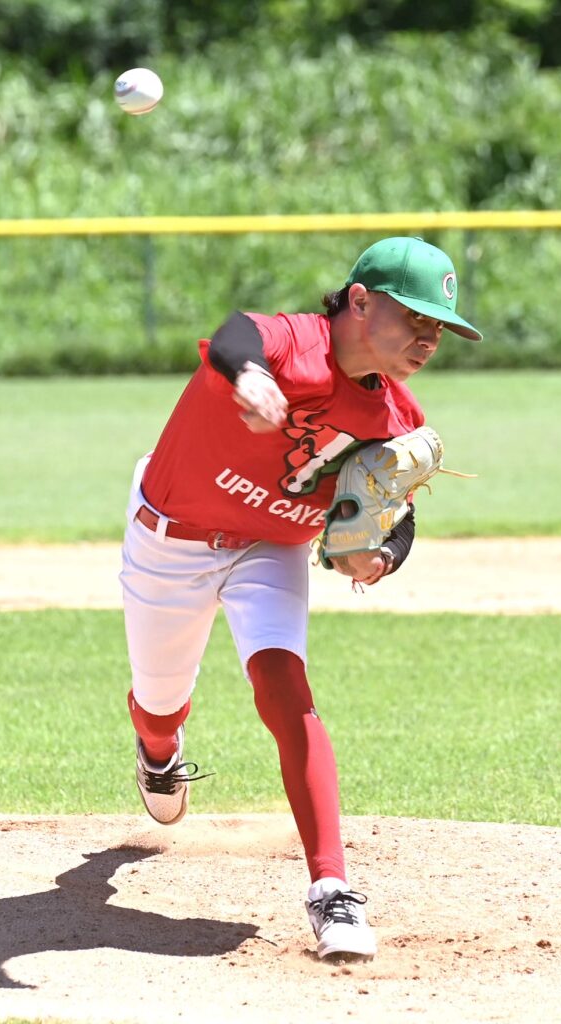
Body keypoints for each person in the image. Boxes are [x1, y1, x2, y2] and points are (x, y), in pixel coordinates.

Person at [119, 235, 482, 961]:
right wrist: (250, 377)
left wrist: (383, 555)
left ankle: (332, 889)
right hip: (172, 540)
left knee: (287, 689)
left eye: (438, 326)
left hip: (269, 549)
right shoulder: (292, 345)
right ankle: (158, 750)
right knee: (160, 705)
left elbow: (398, 514)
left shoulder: (397, 419)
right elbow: (233, 335)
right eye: (413, 316)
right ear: (358, 301)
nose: (427, 337)